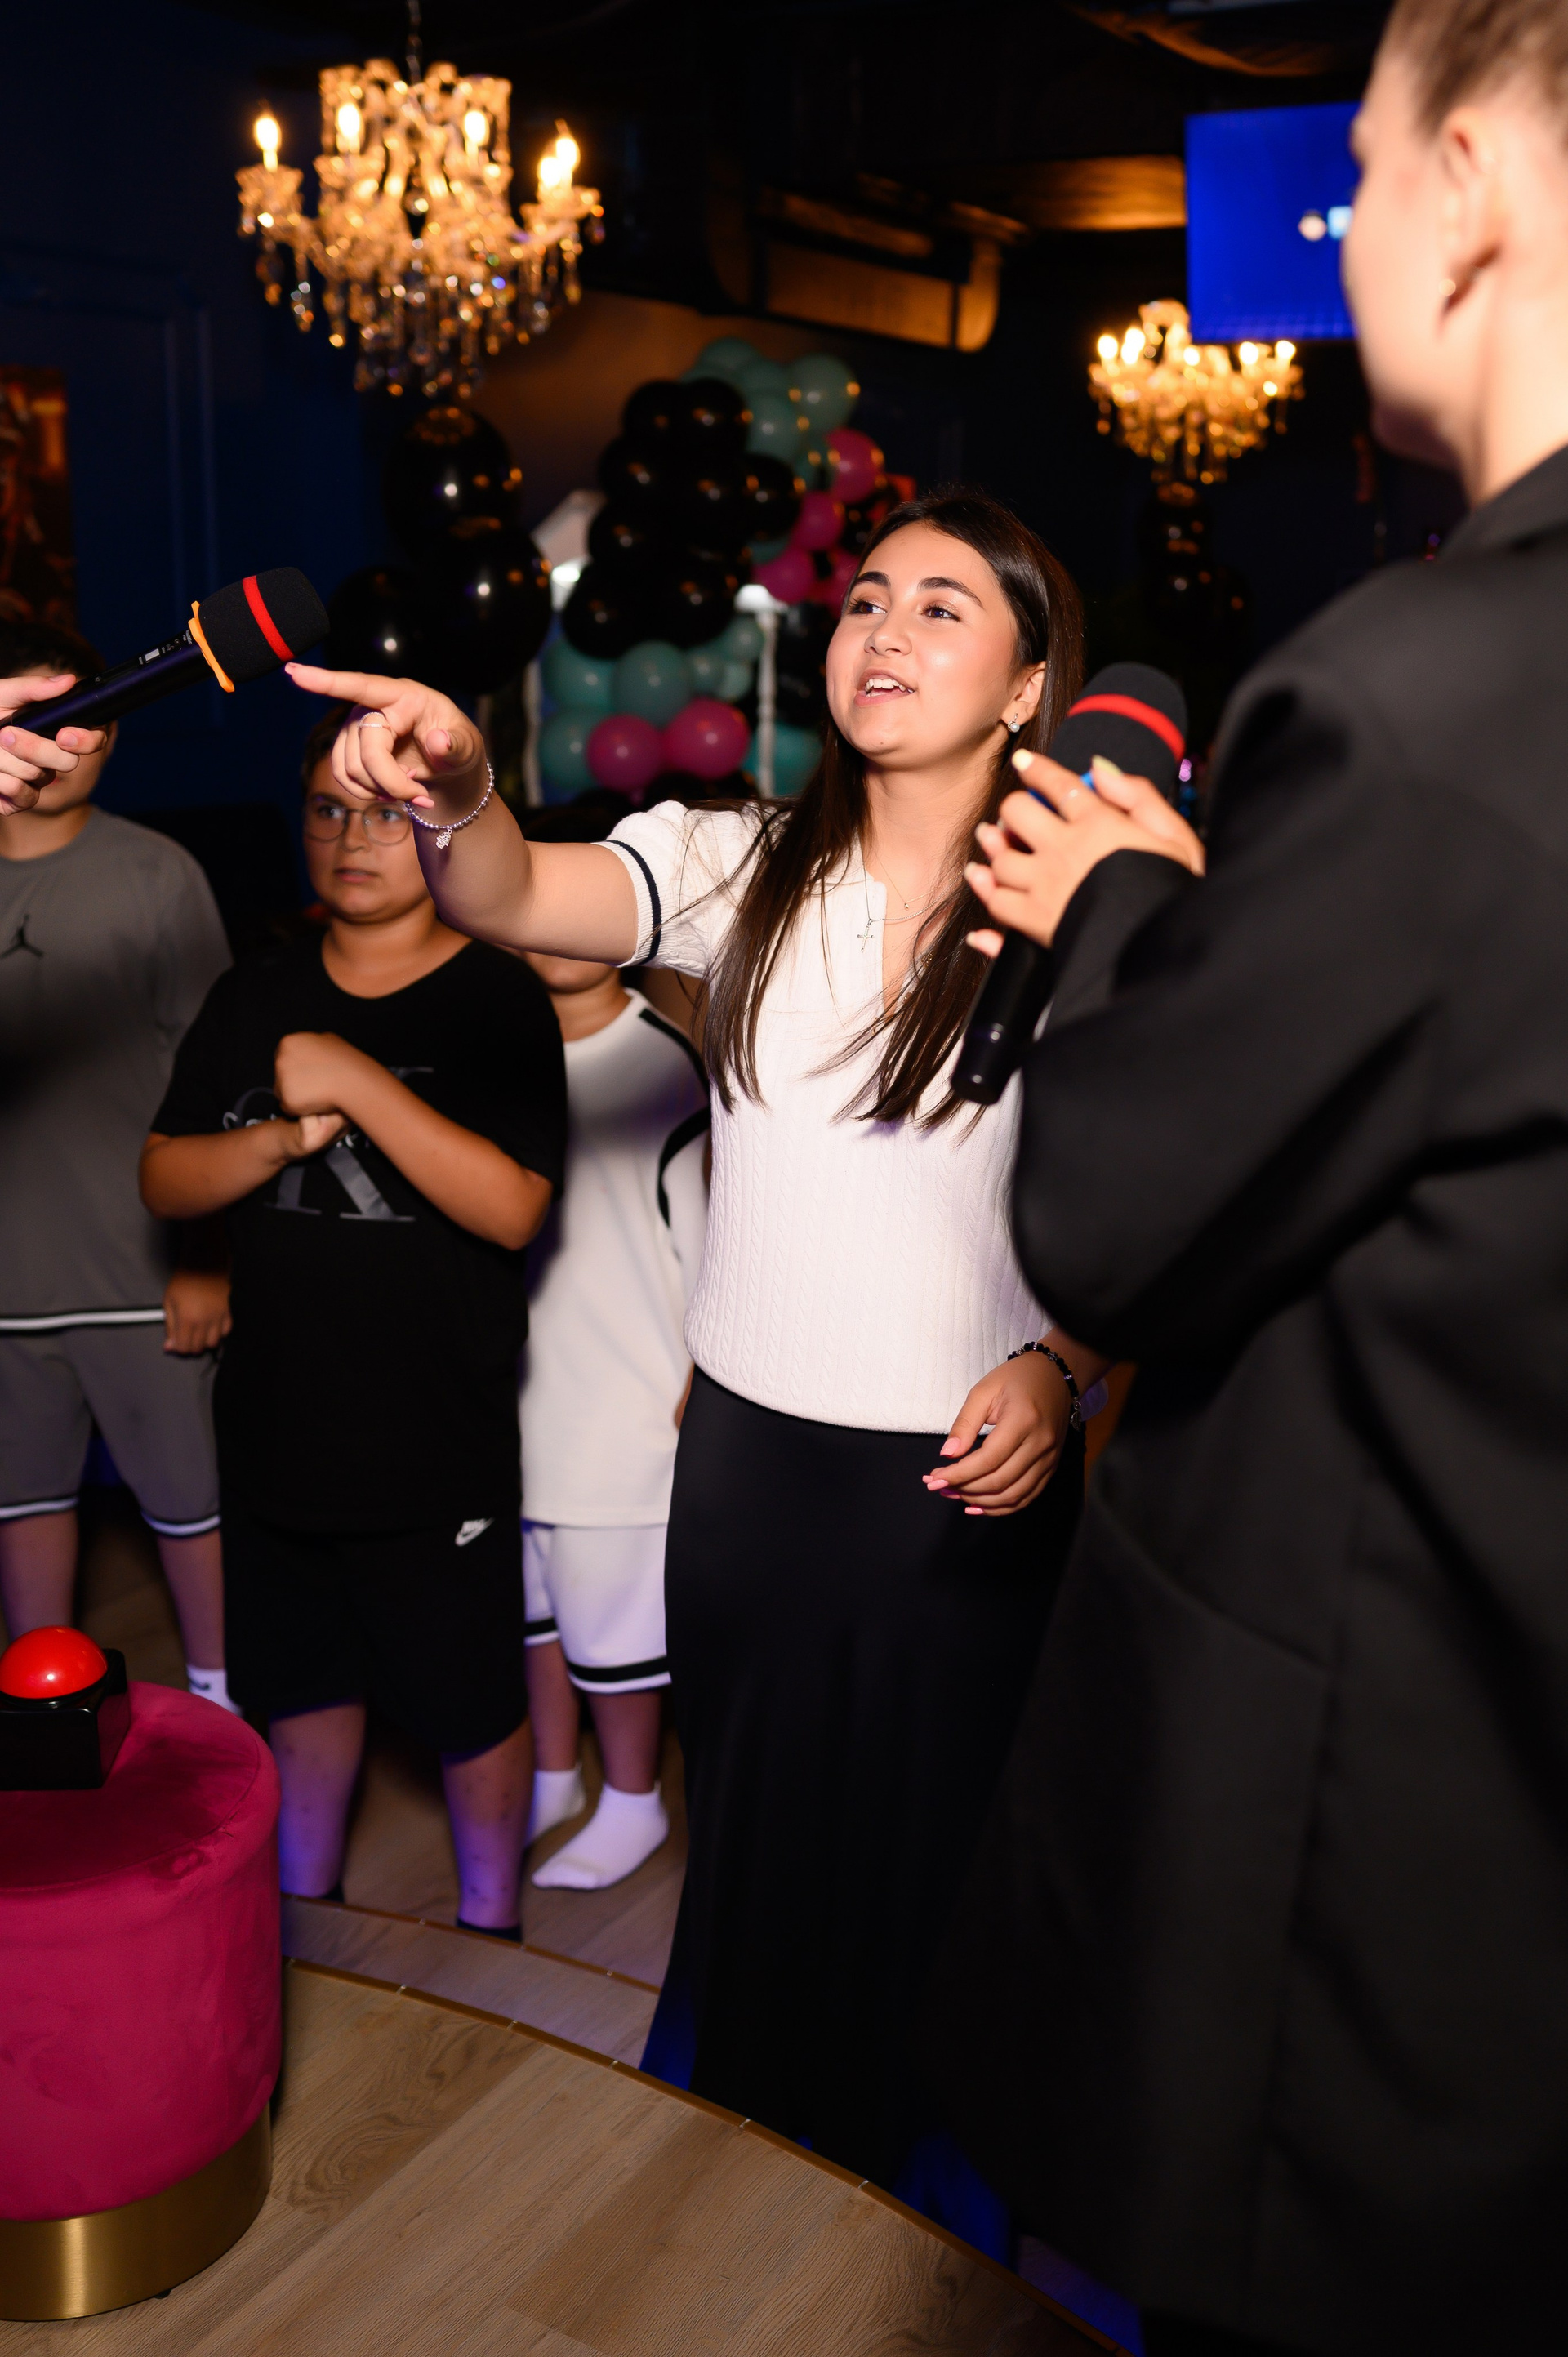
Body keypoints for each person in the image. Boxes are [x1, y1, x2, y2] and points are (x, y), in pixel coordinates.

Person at [936, 3, 1568, 2350]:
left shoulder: (1432, 691)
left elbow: (1113, 1215)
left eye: (1364, 171)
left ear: (1472, 184)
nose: (1345, 227)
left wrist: (1122, 910)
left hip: (1396, 1855)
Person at [284, 486, 1105, 2196]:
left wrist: (1065, 1365)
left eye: (943, 606)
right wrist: (459, 787)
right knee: (764, 1851)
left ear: (1030, 683)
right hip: (748, 1467)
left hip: (958, 1482)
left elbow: (1166, 1204)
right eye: (867, 596)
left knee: (938, 1866)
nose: (884, 628)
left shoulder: (1087, 914)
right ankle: (750, 2196)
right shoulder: (740, 860)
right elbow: (514, 889)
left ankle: (930, 2233)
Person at [140, 711, 566, 1934]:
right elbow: (164, 1176)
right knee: (302, 1688)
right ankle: (311, 1919)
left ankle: (491, 1927)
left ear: (437, 827)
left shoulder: (494, 996)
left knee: (468, 1705)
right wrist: (278, 1139)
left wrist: (358, 1082)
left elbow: (514, 1208)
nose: (352, 838)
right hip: (277, 1428)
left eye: (385, 813)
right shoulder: (252, 993)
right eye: (329, 810)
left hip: (437, 1442)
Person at [0, 624, 234, 1708]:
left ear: (109, 733)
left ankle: (223, 1703)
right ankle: (43, 1716)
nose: (49, 745)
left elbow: (218, 1079)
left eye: (72, 718)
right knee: (22, 1505)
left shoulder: (157, 872)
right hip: (10, 1284)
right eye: (21, 720)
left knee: (190, 1507)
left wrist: (206, 1259)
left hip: (141, 1277)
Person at [519, 919, 708, 1891]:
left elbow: (713, 1235)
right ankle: (553, 1779)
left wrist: (701, 1375)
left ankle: (633, 1799)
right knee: (536, 1611)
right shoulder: (499, 1046)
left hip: (625, 1400)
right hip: (518, 1389)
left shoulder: (663, 1060)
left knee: (614, 1626)